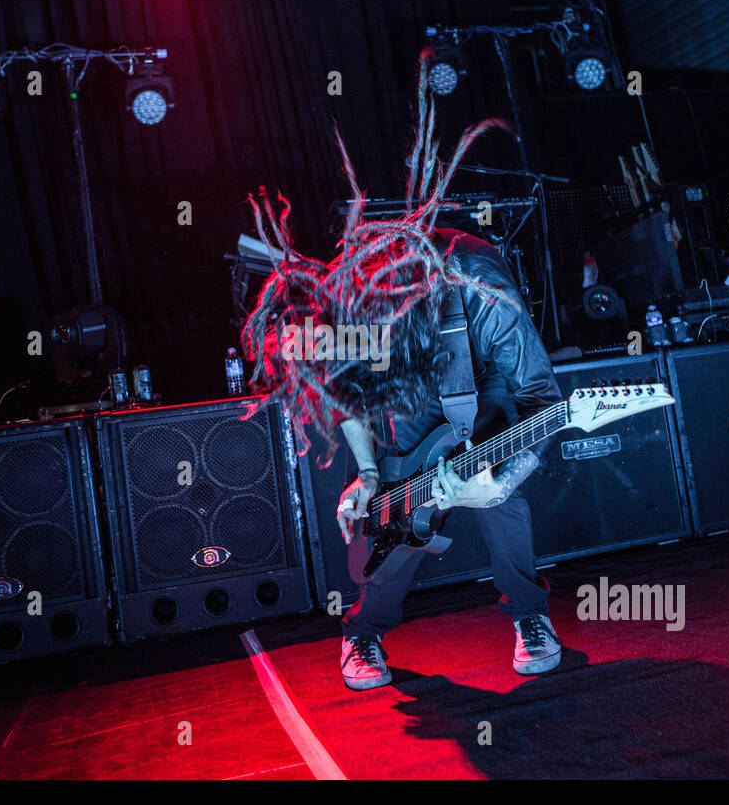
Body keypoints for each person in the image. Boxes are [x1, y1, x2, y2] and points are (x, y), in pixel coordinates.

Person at [242, 51, 564, 691]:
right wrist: (364, 475)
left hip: (485, 383)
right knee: (393, 513)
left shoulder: (482, 292)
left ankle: (531, 618)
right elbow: (354, 399)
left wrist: (502, 476)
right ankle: (361, 632)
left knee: (501, 492)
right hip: (411, 406)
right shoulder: (357, 305)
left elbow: (542, 398)